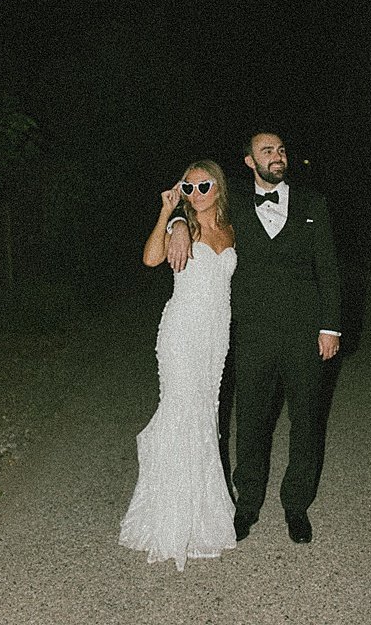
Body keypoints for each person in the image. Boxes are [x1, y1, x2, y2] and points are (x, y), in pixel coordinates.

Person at [169, 131, 342, 544]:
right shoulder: (234, 209)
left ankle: (296, 506)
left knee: (306, 421)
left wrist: (330, 326)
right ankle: (247, 505)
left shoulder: (313, 204)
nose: (278, 156)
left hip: (305, 333)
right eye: (268, 151)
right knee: (251, 421)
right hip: (252, 334)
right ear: (249, 161)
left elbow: (329, 270)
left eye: (282, 149)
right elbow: (195, 209)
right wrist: (176, 222)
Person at [119, 160, 239, 570]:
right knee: (180, 413)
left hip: (216, 336)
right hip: (182, 332)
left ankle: (202, 518)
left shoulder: (232, 230)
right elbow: (151, 259)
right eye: (188, 188)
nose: (196, 194)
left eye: (203, 185)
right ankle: (169, 520)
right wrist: (170, 214)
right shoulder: (179, 226)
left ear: (218, 187)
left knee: (205, 417)